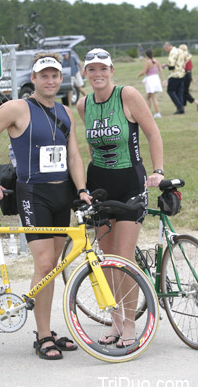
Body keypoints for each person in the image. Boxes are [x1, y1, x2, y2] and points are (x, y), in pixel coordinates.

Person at [0, 52, 91, 360]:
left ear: (59, 79)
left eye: (55, 75)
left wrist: (81, 189)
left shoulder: (65, 112)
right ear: (34, 79)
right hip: (33, 194)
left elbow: (75, 155)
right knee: (45, 264)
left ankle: (47, 329)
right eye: (44, 75)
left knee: (51, 267)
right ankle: (41, 337)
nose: (50, 80)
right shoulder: (17, 108)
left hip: (62, 194)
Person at [77, 48, 164, 347]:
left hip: (129, 182)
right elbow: (90, 148)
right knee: (106, 259)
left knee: (124, 258)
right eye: (92, 69)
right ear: (85, 73)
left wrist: (158, 171)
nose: (97, 74)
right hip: (99, 184)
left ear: (112, 70)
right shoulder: (83, 104)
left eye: (103, 68)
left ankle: (130, 323)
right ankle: (114, 321)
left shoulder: (128, 95)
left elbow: (153, 133)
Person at [137, 48, 165, 118]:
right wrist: (163, 79)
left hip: (150, 80)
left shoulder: (148, 62)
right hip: (156, 79)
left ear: (146, 55)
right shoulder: (157, 61)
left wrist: (138, 75)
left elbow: (144, 72)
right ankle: (148, 113)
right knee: (148, 97)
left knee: (153, 97)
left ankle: (157, 113)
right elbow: (161, 70)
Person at [162, 42, 185, 114]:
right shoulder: (180, 50)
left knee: (170, 91)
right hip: (182, 73)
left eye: (165, 49)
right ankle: (182, 108)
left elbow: (171, 65)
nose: (166, 51)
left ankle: (179, 107)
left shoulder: (172, 52)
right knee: (179, 92)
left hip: (175, 74)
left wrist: (165, 66)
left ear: (167, 47)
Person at [179, 44, 198, 110]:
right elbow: (191, 68)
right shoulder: (188, 57)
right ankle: (183, 106)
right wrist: (191, 77)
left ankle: (196, 101)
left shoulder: (184, 57)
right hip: (188, 74)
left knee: (184, 91)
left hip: (185, 74)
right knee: (184, 91)